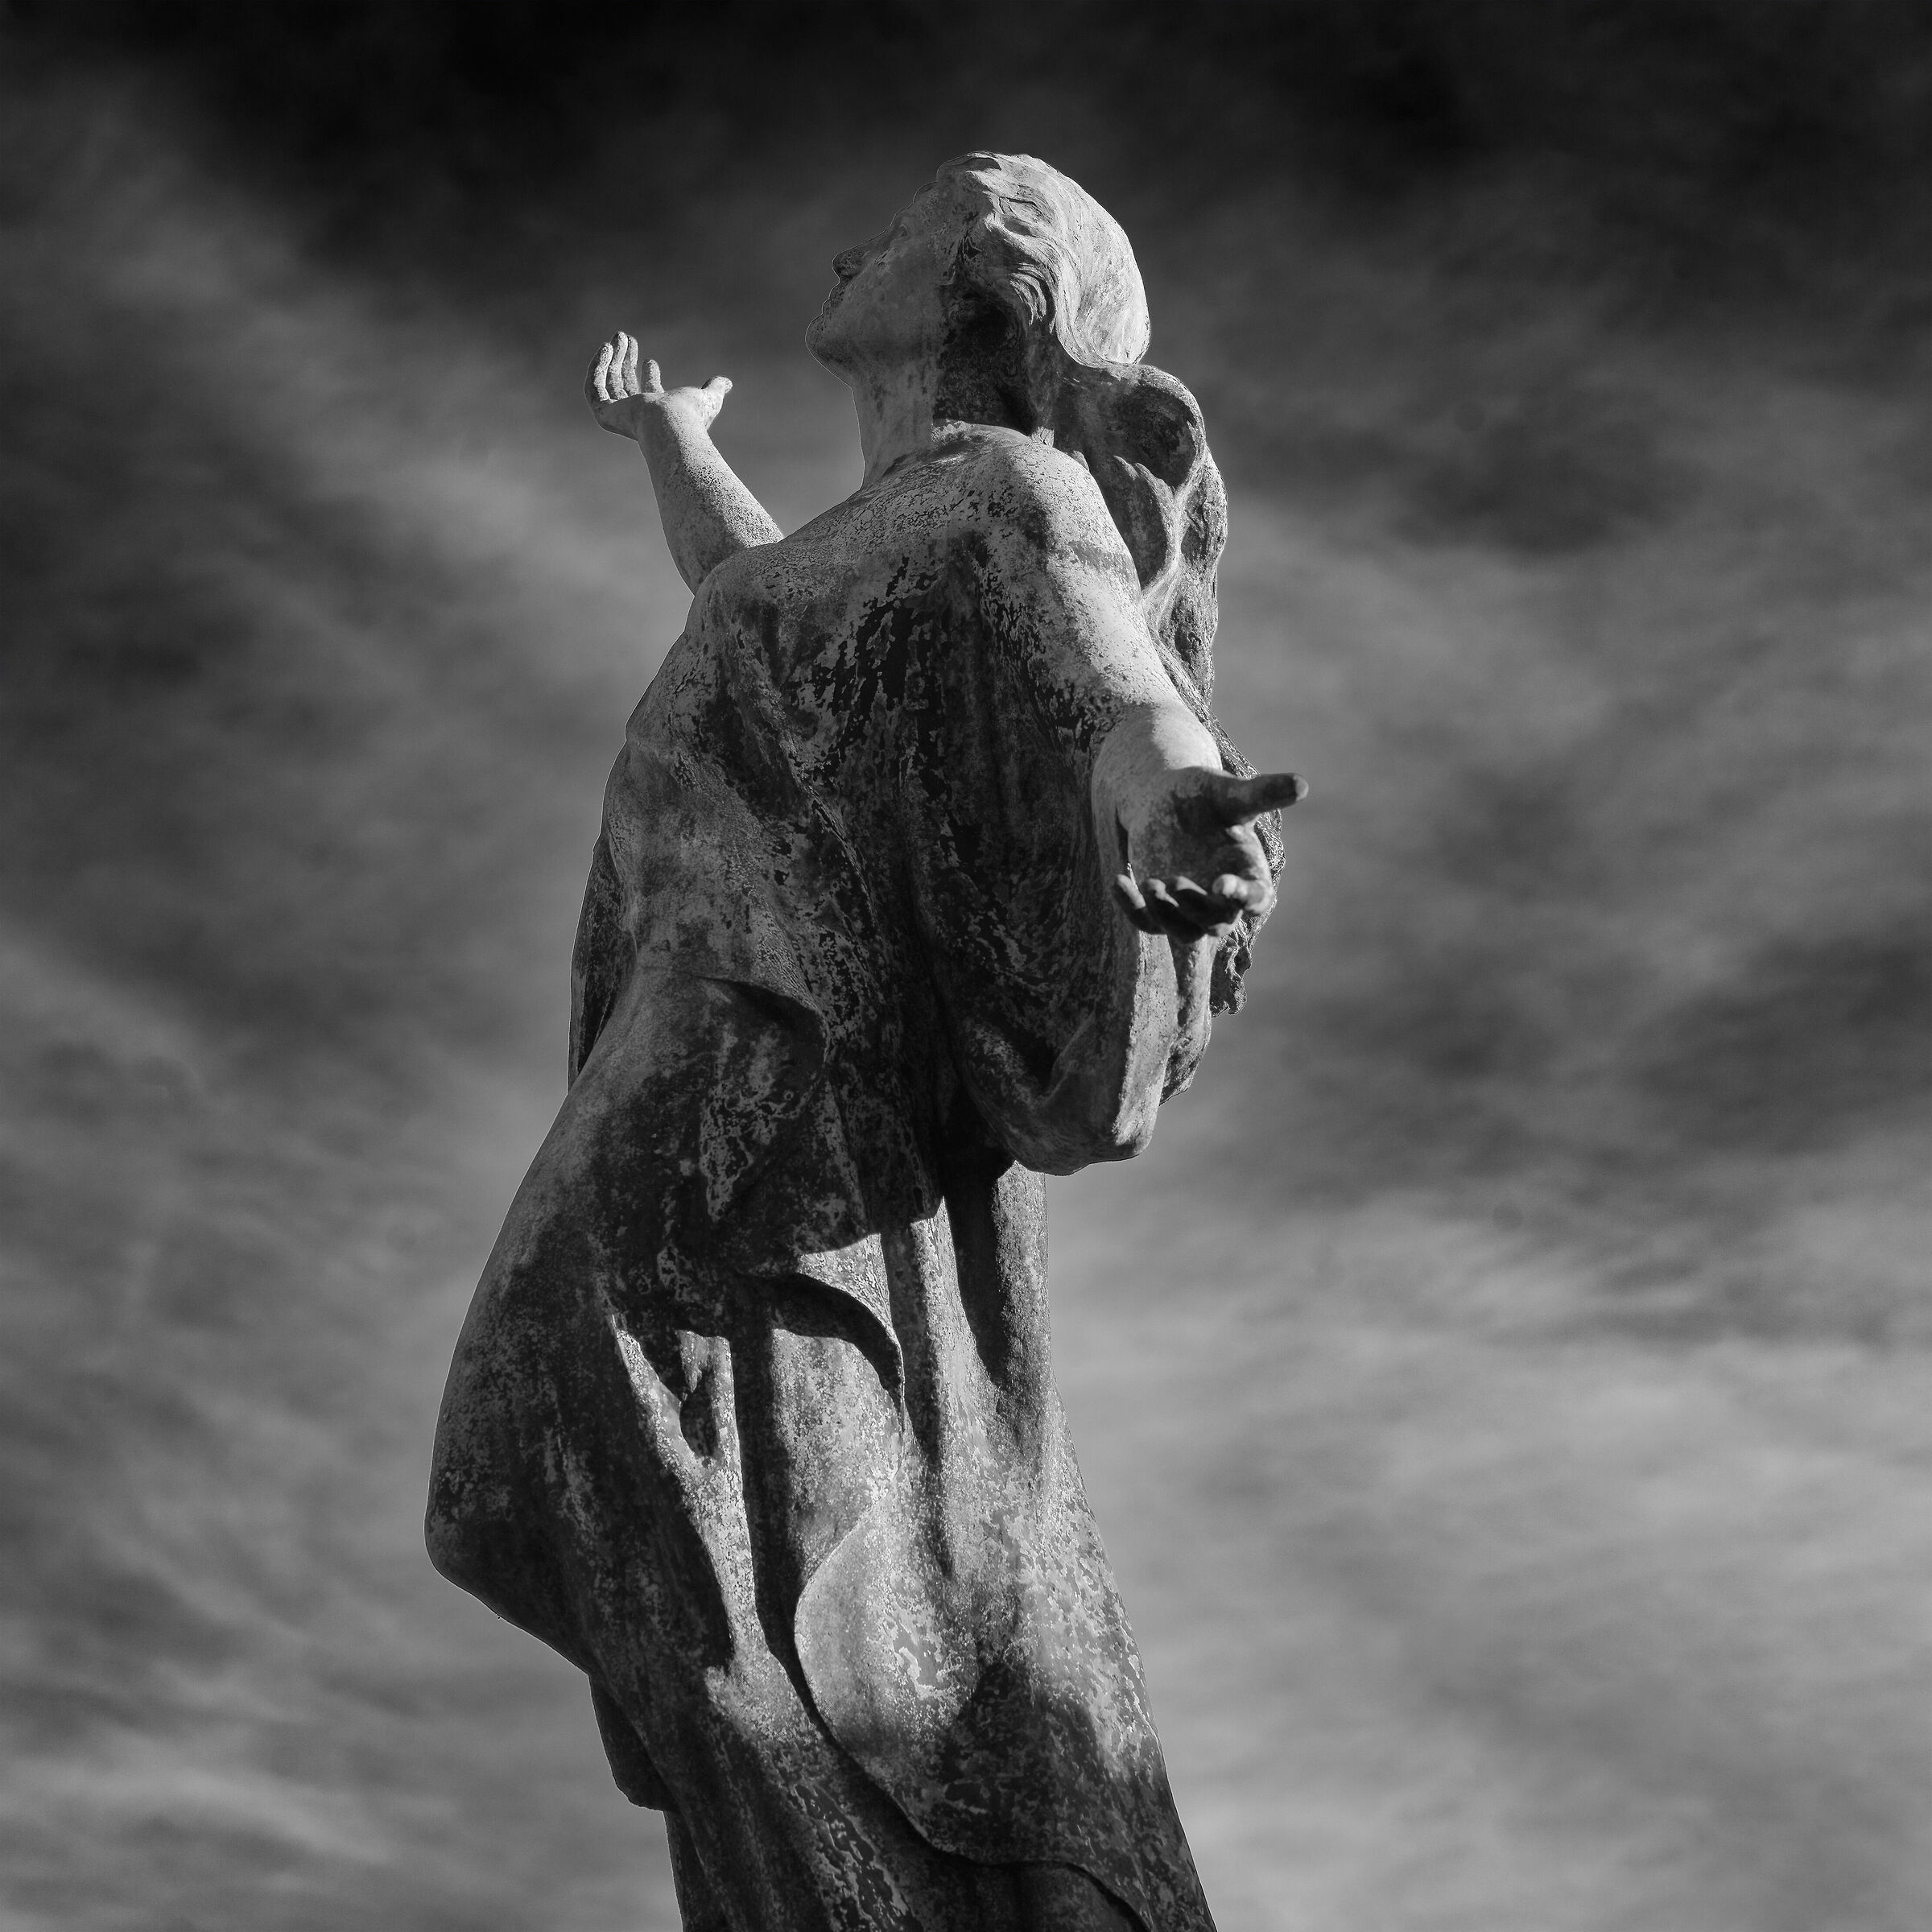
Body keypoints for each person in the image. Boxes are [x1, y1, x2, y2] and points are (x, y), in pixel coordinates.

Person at [427, 151, 1301, 1932]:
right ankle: (827, 1890)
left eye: (909, 223)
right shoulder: (873, 542)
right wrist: (675, 440)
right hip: (706, 1054)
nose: (855, 240)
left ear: (993, 291)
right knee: (587, 1490)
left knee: (578, 1448)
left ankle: (851, 1897)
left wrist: (1161, 792)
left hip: (774, 1075)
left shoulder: (1012, 489)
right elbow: (758, 597)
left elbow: (1106, 670)